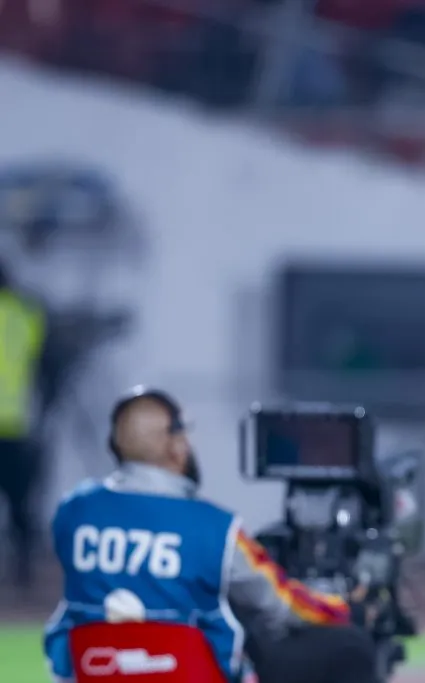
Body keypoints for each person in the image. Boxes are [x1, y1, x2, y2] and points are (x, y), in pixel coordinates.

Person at [43, 388, 379, 683]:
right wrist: (347, 608)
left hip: (94, 670)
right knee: (351, 648)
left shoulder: (72, 513)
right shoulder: (216, 528)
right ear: (175, 447)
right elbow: (281, 603)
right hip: (191, 673)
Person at [0, 259, 58, 588]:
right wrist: (45, 410)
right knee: (21, 508)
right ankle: (23, 576)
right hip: (18, 425)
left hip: (15, 426)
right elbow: (48, 366)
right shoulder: (26, 314)